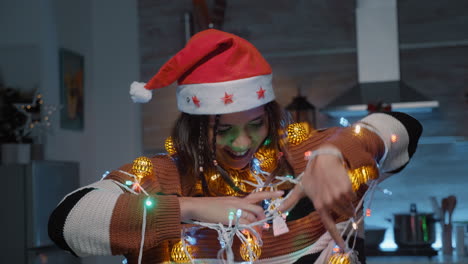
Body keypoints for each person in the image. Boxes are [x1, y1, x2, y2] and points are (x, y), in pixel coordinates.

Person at [48, 29, 422, 264]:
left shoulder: (305, 154)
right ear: (192, 127)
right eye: (222, 129)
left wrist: (332, 155)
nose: (241, 142)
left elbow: (401, 128)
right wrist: (190, 208)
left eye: (255, 124)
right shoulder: (160, 176)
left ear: (270, 116)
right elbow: (66, 222)